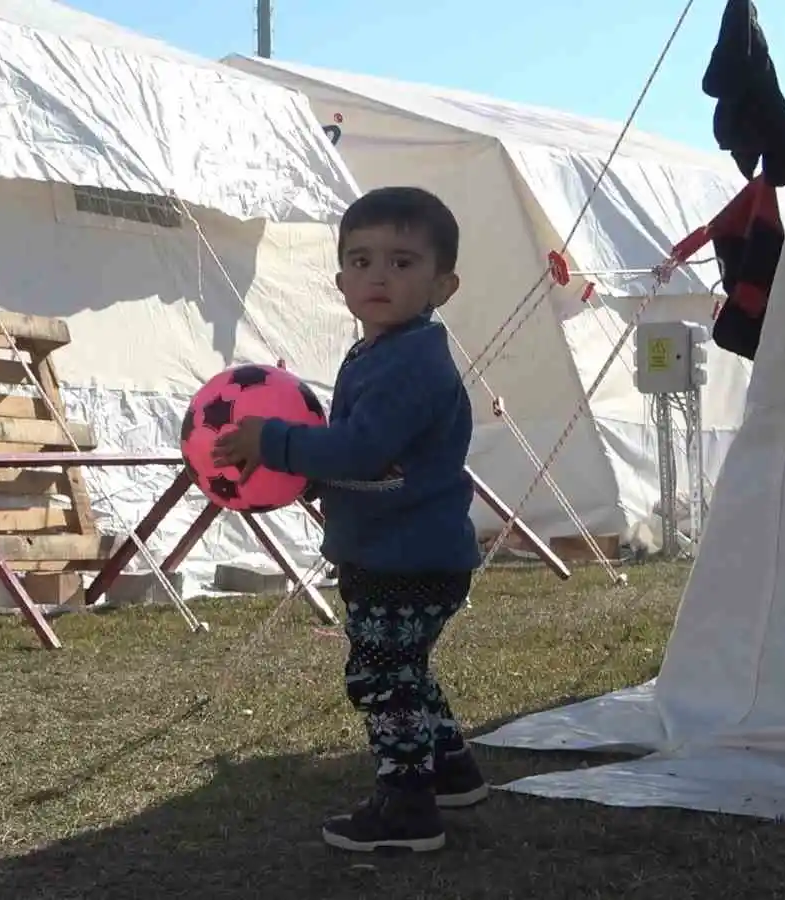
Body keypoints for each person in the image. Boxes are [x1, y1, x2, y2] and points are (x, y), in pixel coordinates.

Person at [213, 186, 487, 853]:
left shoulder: (412, 362)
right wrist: (304, 475)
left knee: (379, 676)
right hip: (405, 552)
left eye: (401, 262)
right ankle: (450, 770)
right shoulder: (381, 352)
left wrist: (272, 441)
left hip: (406, 558)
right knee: (407, 669)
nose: (378, 276)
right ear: (340, 281)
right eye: (361, 261)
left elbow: (364, 448)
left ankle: (407, 808)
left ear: (442, 284)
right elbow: (366, 460)